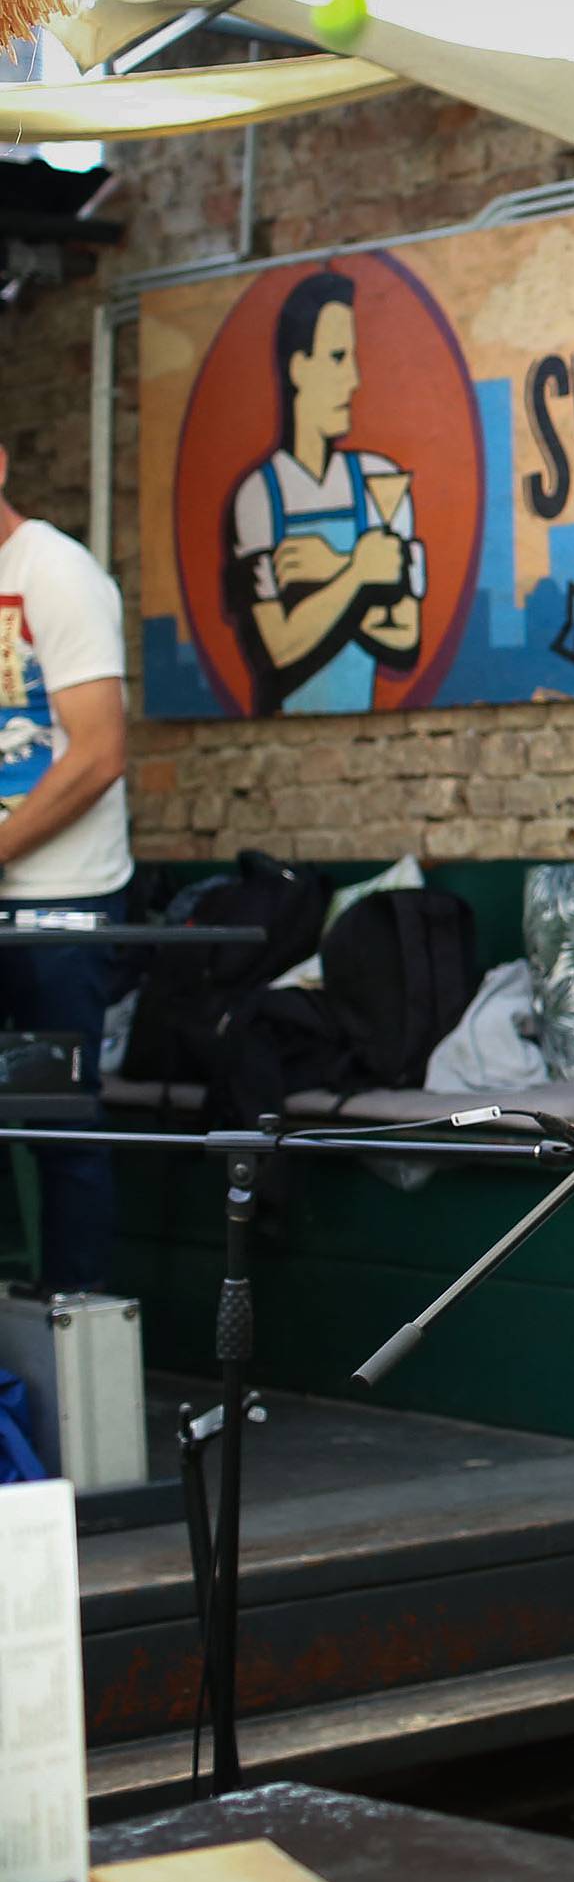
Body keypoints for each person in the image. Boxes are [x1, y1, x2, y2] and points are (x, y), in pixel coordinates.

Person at [0, 438, 131, 1292]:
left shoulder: (55, 569)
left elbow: (99, 753)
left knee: (63, 1137)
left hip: (60, 907)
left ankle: (83, 1378)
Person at [228, 267, 423, 715]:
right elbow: (280, 645)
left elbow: (405, 631)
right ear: (299, 368)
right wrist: (358, 573)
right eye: (337, 357)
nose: (353, 379)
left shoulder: (379, 480)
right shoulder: (258, 498)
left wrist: (330, 567)